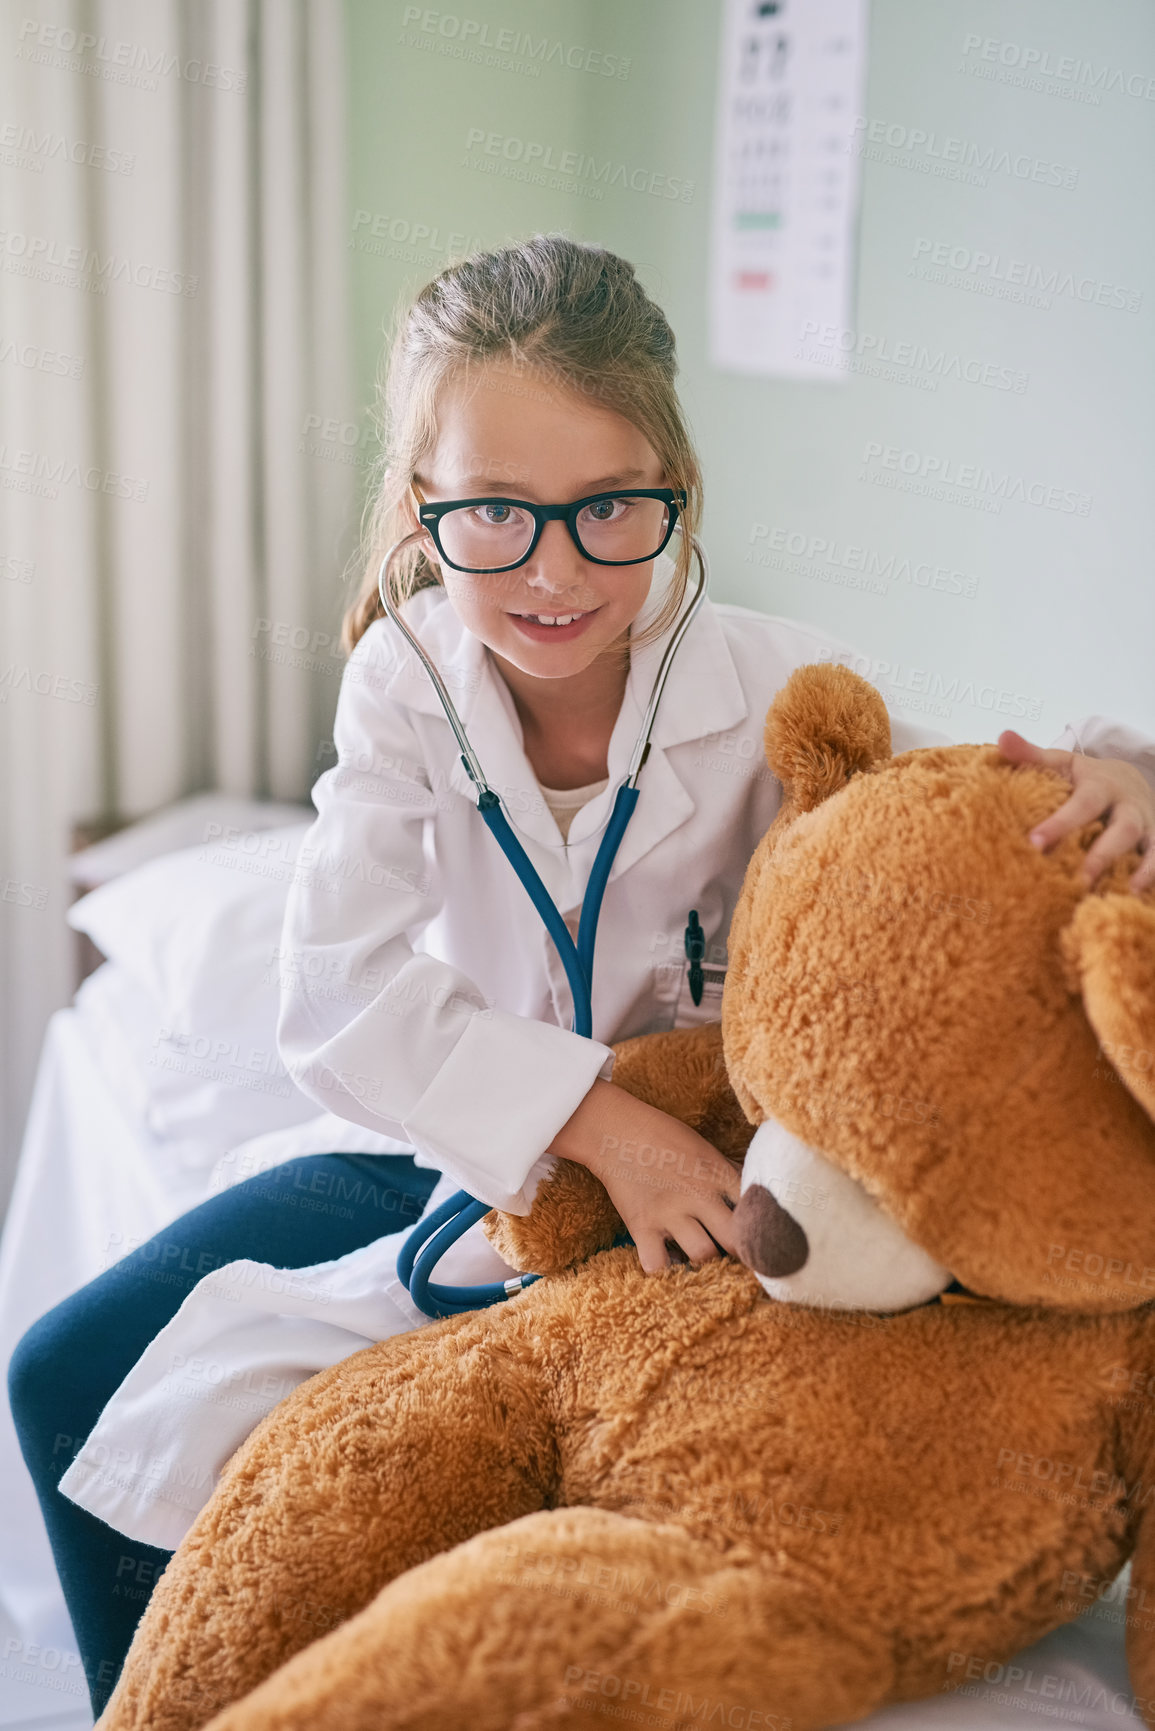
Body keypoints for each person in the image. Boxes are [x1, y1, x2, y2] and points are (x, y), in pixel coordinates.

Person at [9, 235, 1155, 1719]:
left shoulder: (772, 681)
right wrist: (604, 1126)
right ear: (424, 506)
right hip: (476, 1151)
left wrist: (1131, 767)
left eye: (611, 508)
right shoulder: (408, 682)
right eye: (495, 513)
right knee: (63, 1377)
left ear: (676, 486)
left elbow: (969, 804)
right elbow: (339, 993)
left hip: (726, 1196)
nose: (555, 571)